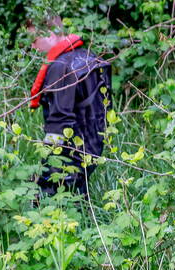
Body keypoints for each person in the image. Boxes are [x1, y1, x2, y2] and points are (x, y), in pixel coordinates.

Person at [27, 17, 112, 196]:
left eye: (34, 40)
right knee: (77, 198)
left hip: (69, 153)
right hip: (94, 147)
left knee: (44, 196)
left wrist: (47, 161)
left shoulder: (61, 67)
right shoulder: (90, 57)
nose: (33, 47)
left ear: (49, 35)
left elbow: (59, 121)